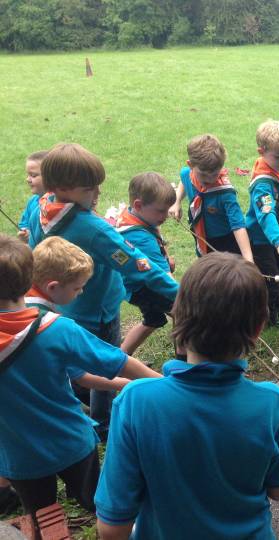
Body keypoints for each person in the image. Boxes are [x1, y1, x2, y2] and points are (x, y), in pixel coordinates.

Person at [95, 253, 279, 540]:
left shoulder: (136, 402)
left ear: (177, 315)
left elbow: (112, 529)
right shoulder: (270, 403)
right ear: (258, 328)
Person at [0, 234, 159, 516]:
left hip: (19, 456)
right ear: (29, 280)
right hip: (70, 443)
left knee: (43, 517)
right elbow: (119, 361)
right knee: (99, 503)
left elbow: (82, 375)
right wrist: (165, 383)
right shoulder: (58, 330)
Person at [26, 143, 178, 437]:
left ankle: (86, 392)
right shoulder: (93, 228)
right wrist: (182, 294)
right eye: (89, 189)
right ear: (63, 187)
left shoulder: (41, 206)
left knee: (79, 356)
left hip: (61, 304)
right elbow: (138, 264)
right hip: (98, 309)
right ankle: (104, 419)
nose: (97, 195)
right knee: (104, 358)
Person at [27, 236, 133, 394]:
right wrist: (156, 382)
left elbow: (81, 376)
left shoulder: (21, 301)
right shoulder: (55, 327)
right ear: (53, 287)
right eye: (77, 288)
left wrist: (127, 384)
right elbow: (115, 361)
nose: (81, 291)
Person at [115, 173, 177, 354]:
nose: (165, 216)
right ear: (138, 205)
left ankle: (121, 358)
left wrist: (165, 257)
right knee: (185, 314)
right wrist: (185, 297)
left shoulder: (134, 216)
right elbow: (164, 278)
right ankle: (185, 362)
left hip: (131, 283)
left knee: (152, 320)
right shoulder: (140, 237)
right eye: (160, 211)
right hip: (142, 286)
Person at [169, 134, 253, 261]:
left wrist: (248, 259)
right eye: (203, 174)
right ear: (191, 165)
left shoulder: (225, 193)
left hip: (226, 240)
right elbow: (183, 180)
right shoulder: (188, 174)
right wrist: (177, 201)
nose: (209, 180)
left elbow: (238, 225)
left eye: (214, 174)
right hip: (202, 236)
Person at [246, 119, 279, 326]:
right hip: (261, 239)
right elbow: (266, 215)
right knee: (270, 277)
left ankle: (275, 307)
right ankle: (266, 317)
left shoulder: (276, 167)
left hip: (275, 239)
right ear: (261, 151)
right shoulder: (263, 184)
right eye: (278, 157)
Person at [17, 150, 48, 245]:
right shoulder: (33, 201)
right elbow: (24, 223)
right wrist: (25, 231)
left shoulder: (56, 205)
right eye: (28, 175)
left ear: (51, 176)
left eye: (33, 175)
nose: (28, 179)